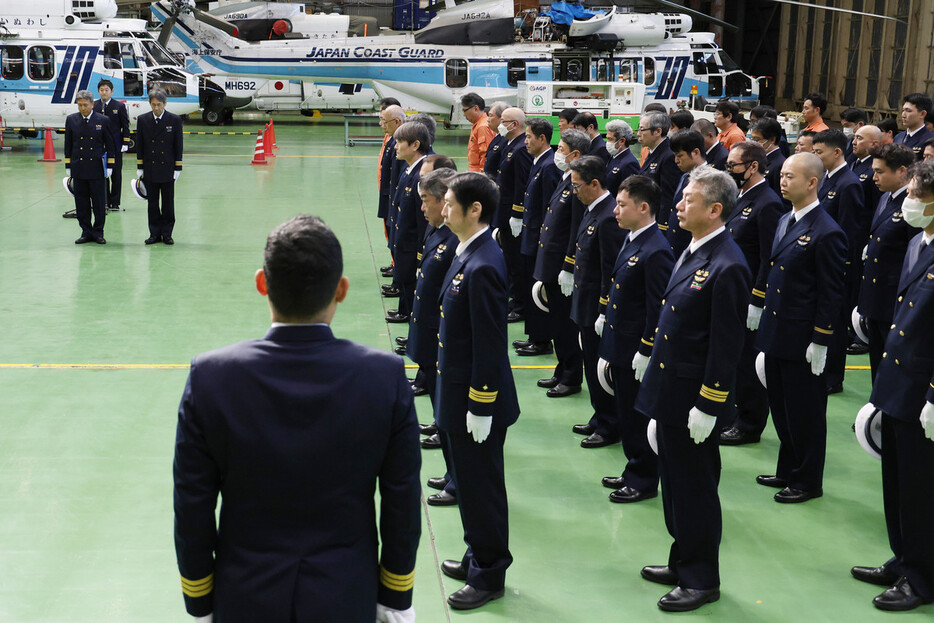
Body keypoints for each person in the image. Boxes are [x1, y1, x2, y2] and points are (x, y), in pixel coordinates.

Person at [173, 214, 421, 623]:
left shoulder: (212, 378)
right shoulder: (384, 377)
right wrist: (394, 596)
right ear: (341, 290)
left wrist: (200, 600)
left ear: (261, 283)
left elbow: (193, 504)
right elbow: (401, 502)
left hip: (245, 597)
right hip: (345, 595)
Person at [634, 166, 751, 613]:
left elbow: (726, 344)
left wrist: (710, 402)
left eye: (688, 200)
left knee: (696, 488)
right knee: (676, 484)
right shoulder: (695, 248)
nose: (678, 205)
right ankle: (682, 558)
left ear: (715, 209)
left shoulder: (728, 263)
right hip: (672, 390)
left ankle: (701, 578)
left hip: (693, 399)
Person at [436, 172, 520, 611]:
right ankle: (476, 554)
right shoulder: (467, 251)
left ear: (475, 210)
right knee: (468, 485)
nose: (443, 209)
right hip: (457, 390)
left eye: (450, 203)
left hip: (476, 398)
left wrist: (481, 402)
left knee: (481, 487)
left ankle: (489, 572)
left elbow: (489, 341)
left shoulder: (484, 263)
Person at [854, 160, 934, 612]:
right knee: (897, 481)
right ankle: (904, 557)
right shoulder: (920, 243)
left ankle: (922, 578)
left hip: (923, 391)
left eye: (916, 196)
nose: (907, 203)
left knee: (921, 488)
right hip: (899, 384)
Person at [751, 153, 846, 504]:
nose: (783, 180)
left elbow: (831, 291)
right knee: (781, 404)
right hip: (778, 331)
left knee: (805, 412)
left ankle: (807, 480)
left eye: (791, 176)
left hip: (803, 336)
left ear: (812, 183)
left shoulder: (826, 231)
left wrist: (821, 339)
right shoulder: (785, 220)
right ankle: (788, 467)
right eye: (782, 175)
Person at [598, 175, 673, 503]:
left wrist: (646, 348)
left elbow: (658, 306)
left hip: (635, 348)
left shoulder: (656, 250)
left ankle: (643, 479)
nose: (615, 209)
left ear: (643, 208)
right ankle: (633, 468)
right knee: (626, 412)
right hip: (621, 342)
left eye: (622, 204)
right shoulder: (633, 238)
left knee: (638, 415)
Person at [719, 141, 785, 446]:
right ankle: (737, 413)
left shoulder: (767, 203)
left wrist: (758, 298)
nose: (729, 169)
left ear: (753, 166)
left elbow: (768, 257)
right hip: (734, 294)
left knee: (748, 361)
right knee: (734, 358)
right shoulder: (743, 197)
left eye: (734, 165)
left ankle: (749, 423)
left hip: (750, 296)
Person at [406, 167, 460, 507]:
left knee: (453, 422)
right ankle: (453, 474)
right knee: (444, 415)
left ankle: (457, 483)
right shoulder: (436, 230)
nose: (422, 208)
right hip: (431, 335)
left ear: (444, 202)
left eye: (427, 201)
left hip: (445, 342)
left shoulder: (456, 242)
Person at [568, 156, 628, 449]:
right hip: (584, 302)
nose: (574, 191)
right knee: (589, 363)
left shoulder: (608, 217)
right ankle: (599, 414)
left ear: (594, 184)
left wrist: (604, 309)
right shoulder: (592, 210)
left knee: (598, 364)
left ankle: (608, 424)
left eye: (577, 186)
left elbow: (609, 269)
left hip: (595, 306)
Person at [534, 129, 589, 398]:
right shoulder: (566, 179)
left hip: (561, 267)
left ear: (575, 154)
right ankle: (561, 368)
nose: (558, 152)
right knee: (557, 321)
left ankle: (570, 377)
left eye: (562, 148)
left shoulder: (577, 185)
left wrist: (569, 266)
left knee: (566, 326)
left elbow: (576, 228)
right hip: (552, 263)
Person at [857, 143, 918, 380]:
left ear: (902, 171)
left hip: (894, 302)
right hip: (876, 299)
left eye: (880, 171)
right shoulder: (886, 198)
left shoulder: (913, 206)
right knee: (877, 365)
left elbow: (915, 261)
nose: (874, 177)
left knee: (893, 371)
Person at [813, 129, 867, 393]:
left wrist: (842, 267)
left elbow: (849, 232)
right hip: (822, 261)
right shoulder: (826, 178)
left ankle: (832, 378)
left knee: (834, 323)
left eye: (819, 152)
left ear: (836, 152)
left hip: (838, 265)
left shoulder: (849, 183)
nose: (815, 156)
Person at [512, 118, 560, 357]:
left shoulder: (549, 166)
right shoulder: (538, 162)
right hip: (530, 238)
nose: (526, 141)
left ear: (542, 139)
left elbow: (547, 209)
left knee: (538, 292)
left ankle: (541, 340)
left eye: (529, 136)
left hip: (538, 241)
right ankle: (534, 335)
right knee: (530, 288)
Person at [386, 122, 431, 324]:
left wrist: (421, 253)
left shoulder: (421, 174)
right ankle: (405, 312)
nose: (395, 146)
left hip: (412, 245)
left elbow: (422, 219)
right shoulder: (409, 170)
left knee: (413, 287)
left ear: (415, 145)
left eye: (399, 142)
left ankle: (413, 321)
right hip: (403, 241)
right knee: (405, 281)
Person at [495, 107, 533, 323]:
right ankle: (514, 298)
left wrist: (517, 214)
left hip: (512, 214)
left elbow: (521, 184)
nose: (500, 124)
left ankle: (520, 304)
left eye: (504, 120)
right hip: (504, 211)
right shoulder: (510, 145)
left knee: (516, 261)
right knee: (509, 258)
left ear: (515, 124)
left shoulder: (520, 149)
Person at [64, 89, 116, 244]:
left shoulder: (103, 120)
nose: (82, 108)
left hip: (97, 168)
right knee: (82, 203)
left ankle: (98, 232)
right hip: (79, 167)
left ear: (92, 104)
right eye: (79, 105)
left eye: (85, 105)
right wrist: (68, 164)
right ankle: (86, 231)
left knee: (99, 203)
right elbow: (68, 144)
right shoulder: (71, 120)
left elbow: (110, 144)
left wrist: (110, 165)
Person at [136, 89, 183, 245]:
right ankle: (154, 233)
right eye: (153, 104)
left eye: (159, 104)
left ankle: (167, 233)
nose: (156, 108)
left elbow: (178, 145)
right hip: (150, 167)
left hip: (168, 167)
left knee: (168, 203)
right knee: (153, 203)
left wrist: (178, 168)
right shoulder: (143, 120)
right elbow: (140, 145)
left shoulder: (174, 120)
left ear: (165, 103)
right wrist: (140, 166)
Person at [666, 130, 709, 257]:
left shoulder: (710, 181)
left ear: (696, 152)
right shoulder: (685, 176)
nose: (676, 161)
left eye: (680, 156)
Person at [638, 112, 681, 231]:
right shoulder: (653, 152)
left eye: (642, 130)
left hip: (658, 221)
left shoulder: (668, 156)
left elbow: (667, 196)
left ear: (657, 131)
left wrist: (661, 226)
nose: (638, 134)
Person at [377, 102, 406, 281]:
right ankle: (396, 268)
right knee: (391, 235)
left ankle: (398, 275)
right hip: (388, 194)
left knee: (397, 237)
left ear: (396, 121)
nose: (382, 125)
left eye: (385, 121)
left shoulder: (400, 141)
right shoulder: (391, 139)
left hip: (394, 196)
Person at [94, 79, 129, 212]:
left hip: (115, 146)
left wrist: (125, 142)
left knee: (115, 174)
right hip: (100, 145)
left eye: (106, 90)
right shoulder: (95, 106)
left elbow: (125, 125)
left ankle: (115, 202)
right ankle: (105, 201)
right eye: (102, 90)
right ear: (98, 91)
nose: (104, 92)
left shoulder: (119, 106)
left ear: (112, 91)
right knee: (102, 174)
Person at [750, 118, 787, 199]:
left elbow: (780, 198)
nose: (753, 143)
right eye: (752, 139)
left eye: (757, 139)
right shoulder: (758, 158)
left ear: (772, 139)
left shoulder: (780, 165)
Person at [604, 119, 639, 197]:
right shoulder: (613, 157)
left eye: (610, 139)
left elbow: (629, 194)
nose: (607, 142)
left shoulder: (629, 163)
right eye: (607, 138)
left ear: (622, 141)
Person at [894, 92, 934, 159]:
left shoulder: (930, 139)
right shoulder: (898, 137)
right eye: (903, 110)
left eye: (908, 111)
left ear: (922, 114)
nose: (903, 115)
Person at [462, 92, 495, 172]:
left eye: (465, 110)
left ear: (475, 108)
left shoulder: (482, 127)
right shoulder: (478, 125)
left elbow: (486, 155)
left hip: (478, 174)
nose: (464, 115)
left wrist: (482, 176)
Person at [483, 102, 510, 179]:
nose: (487, 119)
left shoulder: (506, 139)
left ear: (502, 118)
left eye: (490, 116)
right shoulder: (498, 135)